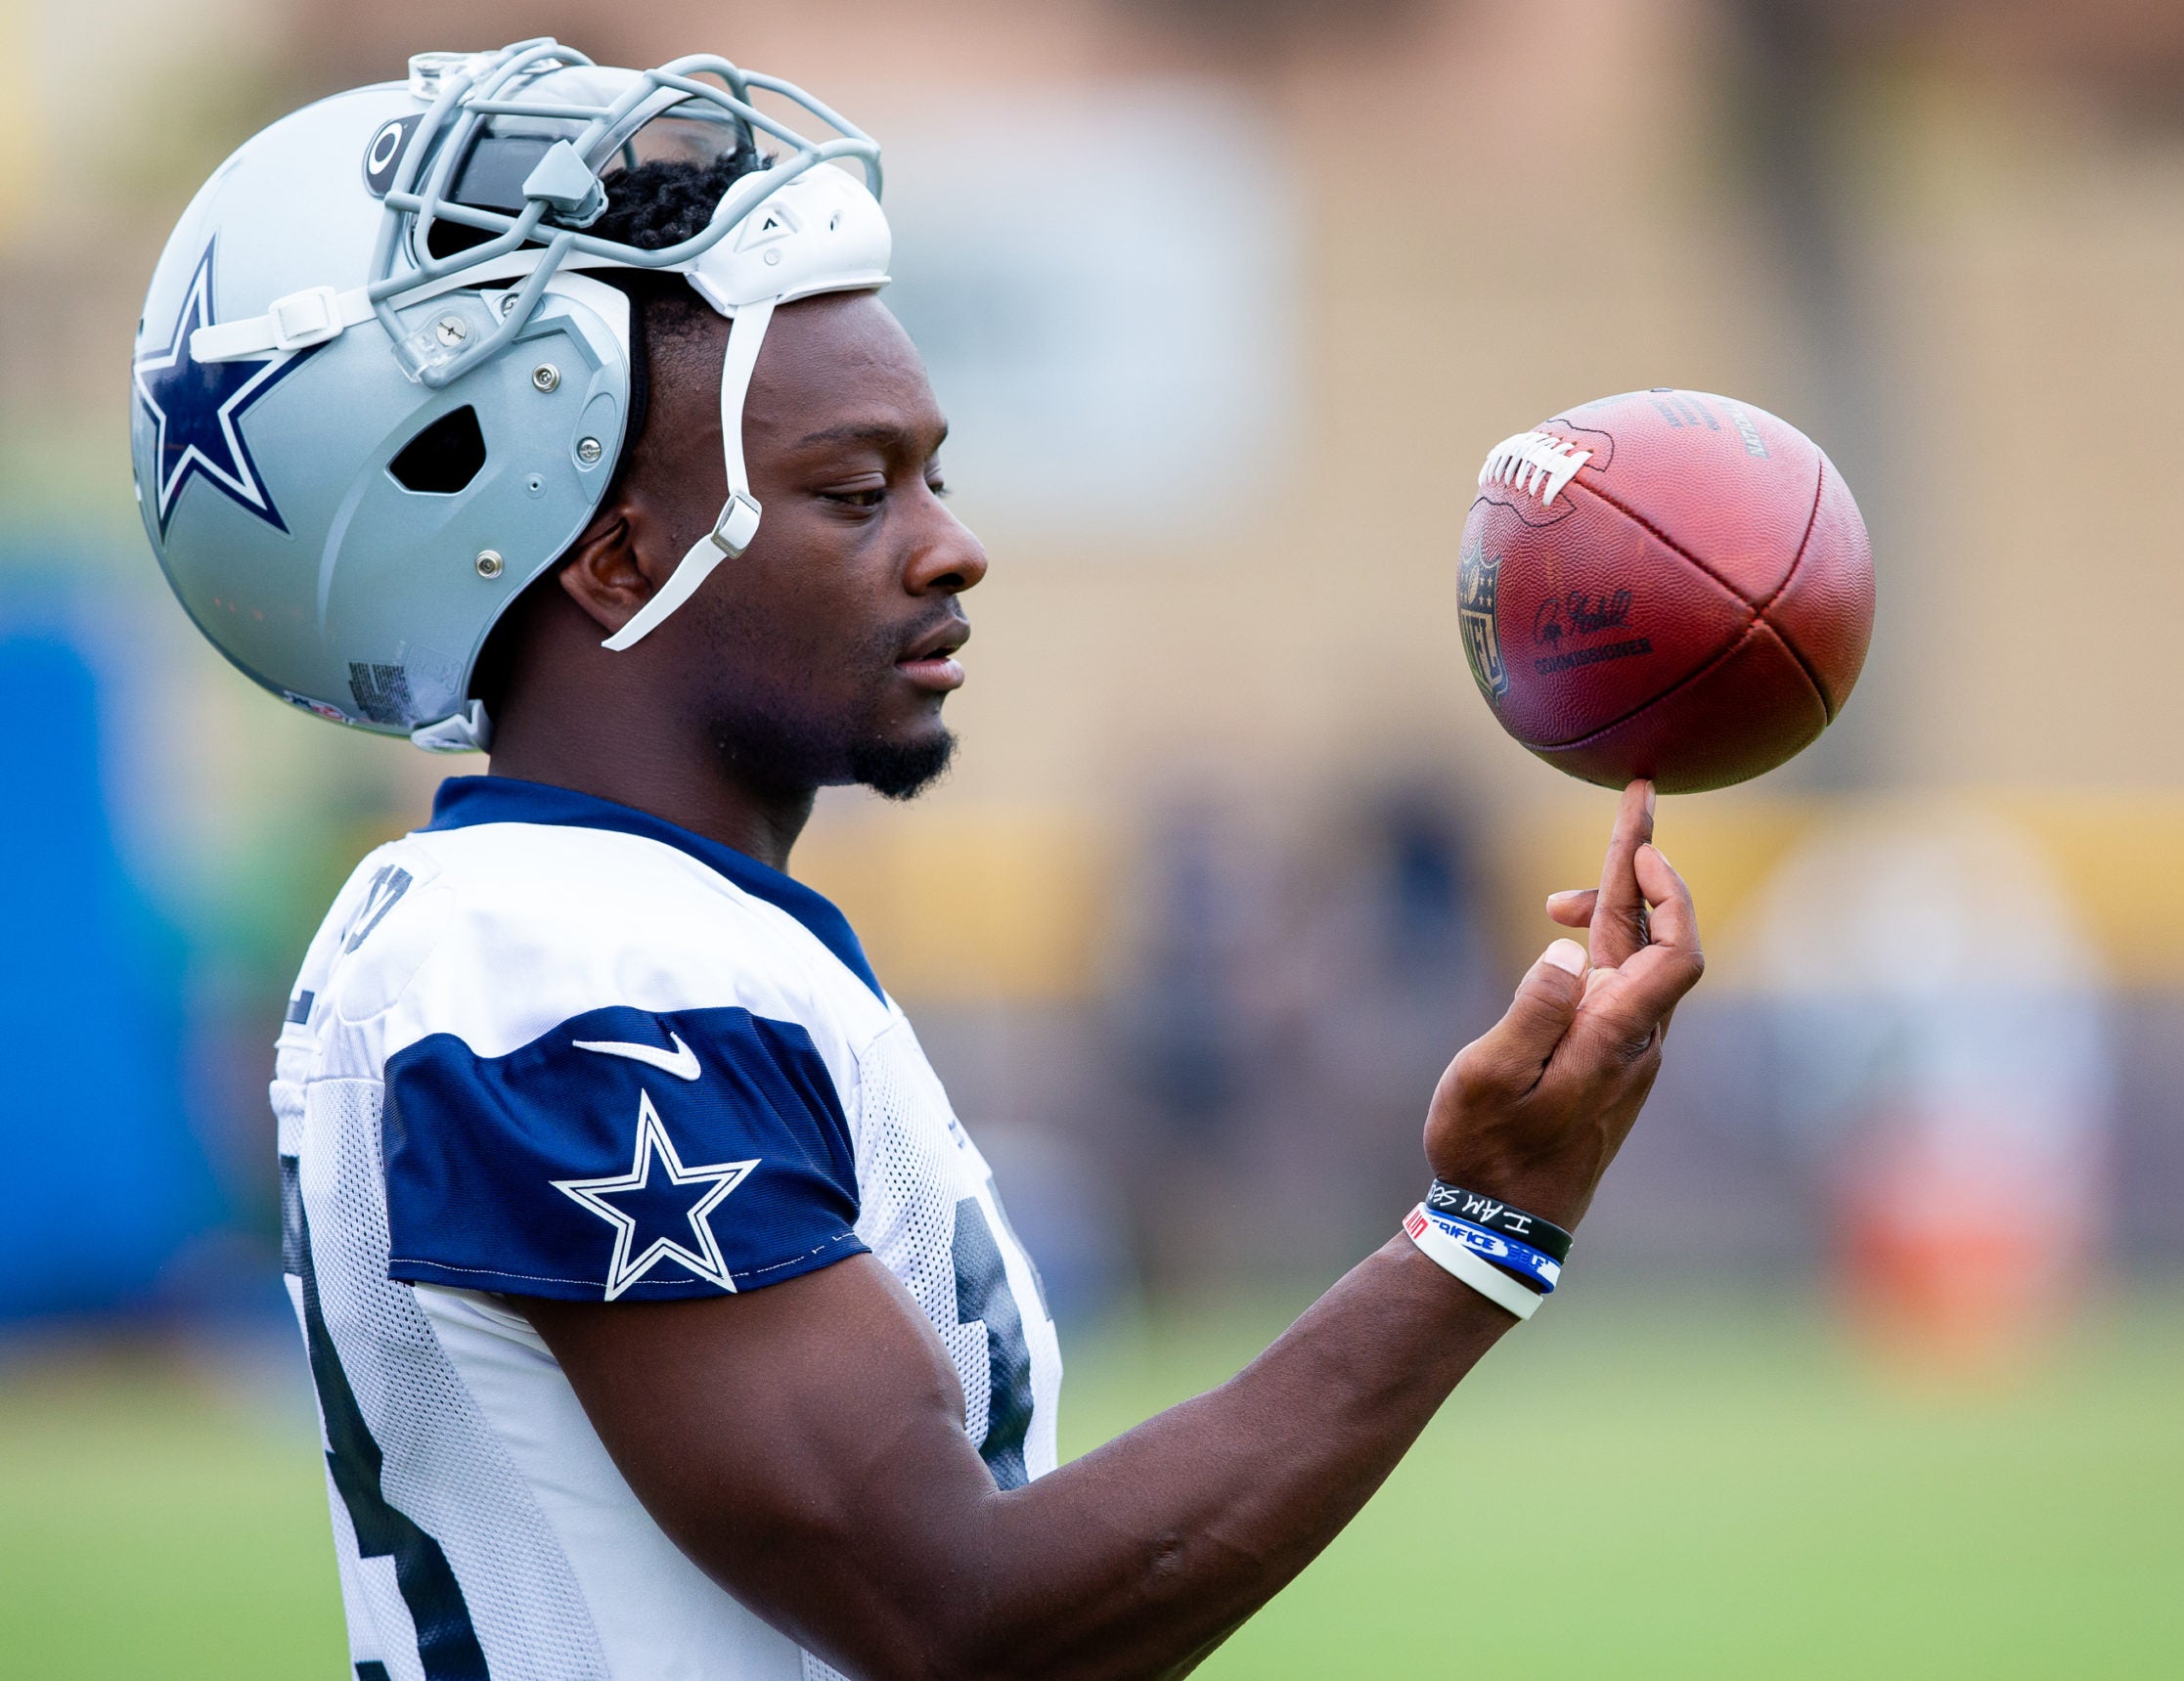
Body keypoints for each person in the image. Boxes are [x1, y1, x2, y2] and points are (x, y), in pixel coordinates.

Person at [132, 42, 1704, 1680]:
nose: (950, 543)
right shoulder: (568, 968)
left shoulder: (589, 923)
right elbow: (952, 1614)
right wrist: (1477, 1240)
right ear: (610, 557)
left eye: (932, 475)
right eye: (854, 490)